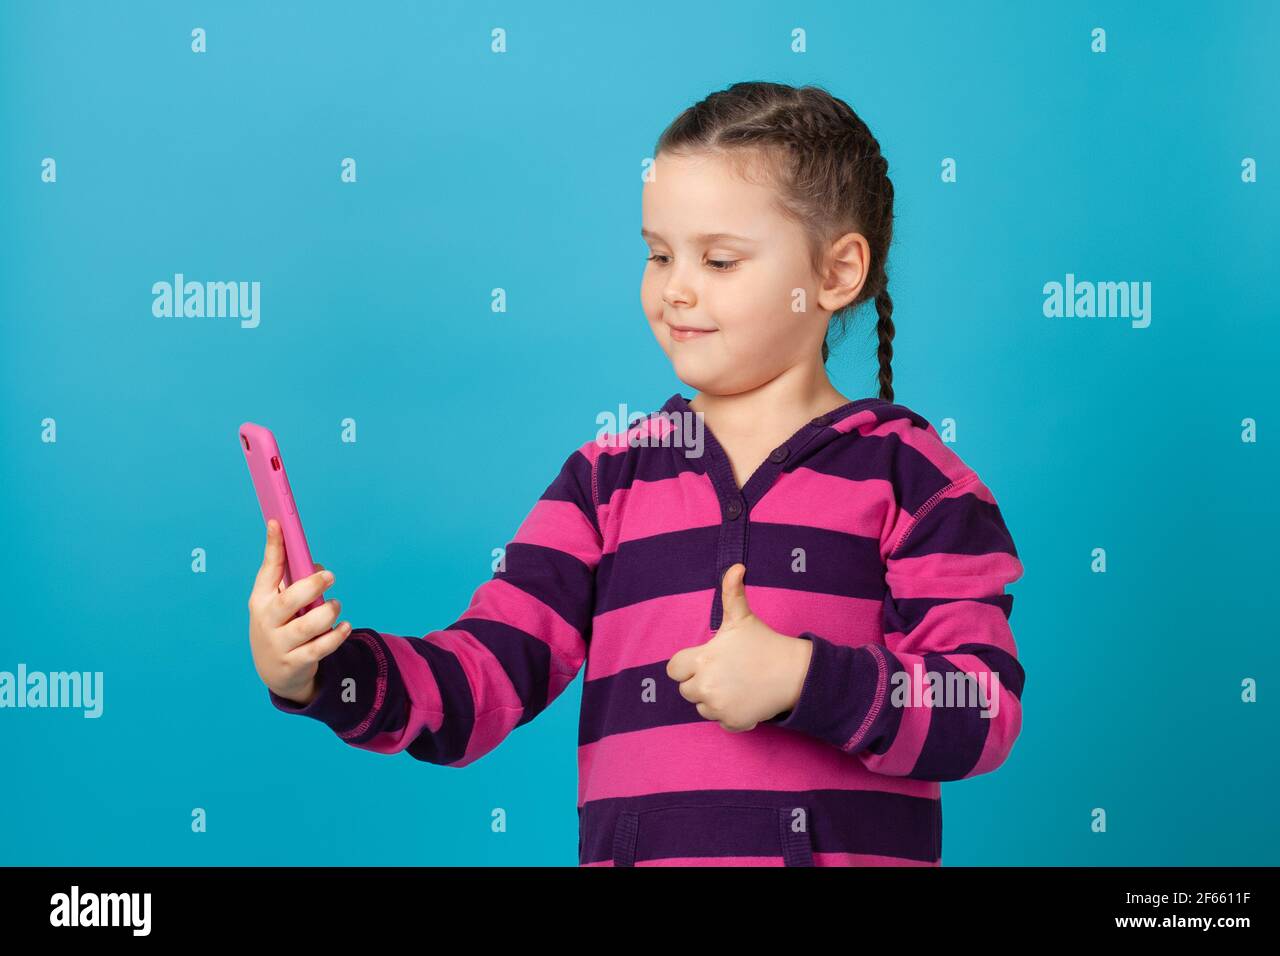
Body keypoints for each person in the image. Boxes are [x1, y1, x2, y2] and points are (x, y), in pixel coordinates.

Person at [248, 81, 1025, 866]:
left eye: (719, 259)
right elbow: (476, 684)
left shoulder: (920, 484)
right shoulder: (605, 482)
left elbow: (983, 707)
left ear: (836, 272)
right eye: (659, 254)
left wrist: (805, 679)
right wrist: (322, 673)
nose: (675, 288)